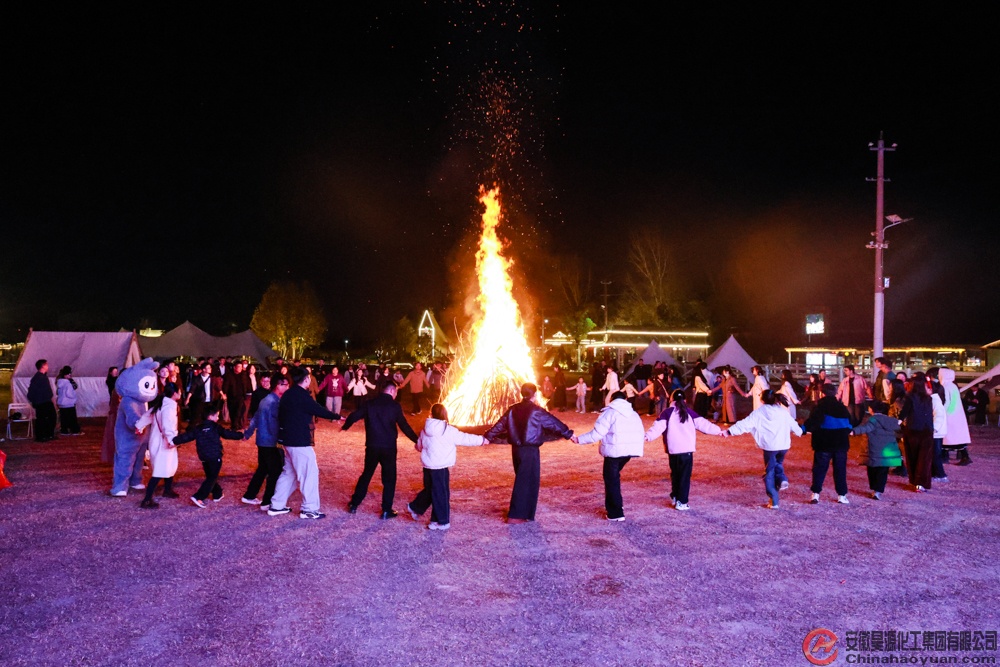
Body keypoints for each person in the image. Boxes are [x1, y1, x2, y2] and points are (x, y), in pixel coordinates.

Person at [484, 383, 573, 523]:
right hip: (529, 450)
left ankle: (525, 513)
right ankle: (516, 515)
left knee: (525, 479)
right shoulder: (536, 411)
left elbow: (500, 425)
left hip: (516, 450)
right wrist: (569, 434)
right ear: (535, 394)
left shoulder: (513, 409)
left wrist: (488, 436)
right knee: (526, 481)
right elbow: (554, 423)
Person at [267, 366, 341, 519]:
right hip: (299, 441)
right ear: (306, 379)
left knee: (289, 473)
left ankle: (276, 505)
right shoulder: (302, 396)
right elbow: (318, 409)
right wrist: (336, 416)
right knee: (309, 473)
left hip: (288, 440)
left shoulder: (288, 394)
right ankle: (309, 509)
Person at [406, 403, 487, 530]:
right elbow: (465, 438)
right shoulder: (449, 431)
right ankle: (440, 521)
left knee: (431, 490)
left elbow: (419, 447)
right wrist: (482, 440)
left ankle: (416, 508)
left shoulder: (425, 430)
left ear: (431, 414)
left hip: (428, 466)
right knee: (441, 493)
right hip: (440, 467)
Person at [343, 383, 419, 519]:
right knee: (389, 479)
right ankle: (386, 510)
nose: (396, 395)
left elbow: (354, 415)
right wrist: (417, 440)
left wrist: (345, 426)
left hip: (372, 445)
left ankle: (354, 504)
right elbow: (404, 426)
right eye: (396, 392)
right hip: (388, 447)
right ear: (392, 391)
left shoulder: (369, 404)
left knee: (366, 475)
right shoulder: (394, 406)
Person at [644, 388, 722, 511]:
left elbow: (657, 427)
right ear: (685, 400)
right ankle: (682, 501)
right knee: (684, 477)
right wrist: (719, 431)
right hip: (686, 450)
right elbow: (705, 425)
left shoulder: (667, 413)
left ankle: (675, 496)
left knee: (675, 474)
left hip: (673, 450)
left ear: (671, 400)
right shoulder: (689, 412)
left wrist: (647, 437)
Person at [722, 390, 803, 509]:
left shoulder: (759, 412)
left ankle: (774, 500)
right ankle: (781, 479)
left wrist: (730, 431)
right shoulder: (783, 412)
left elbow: (745, 424)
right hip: (784, 445)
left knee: (769, 471)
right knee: (778, 463)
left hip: (770, 446)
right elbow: (793, 425)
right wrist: (800, 431)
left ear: (762, 400)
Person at [573, 391, 645, 521]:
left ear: (611, 400)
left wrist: (579, 439)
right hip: (628, 451)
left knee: (611, 480)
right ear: (625, 399)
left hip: (614, 452)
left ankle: (615, 513)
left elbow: (597, 433)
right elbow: (640, 431)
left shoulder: (609, 413)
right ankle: (616, 507)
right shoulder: (633, 414)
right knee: (614, 477)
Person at [173, 401, 243, 508]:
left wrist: (174, 441)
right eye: (217, 416)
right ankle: (199, 496)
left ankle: (217, 493)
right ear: (210, 417)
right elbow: (227, 434)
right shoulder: (215, 427)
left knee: (211, 476)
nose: (218, 418)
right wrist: (241, 435)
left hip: (204, 456)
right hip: (215, 456)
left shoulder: (198, 428)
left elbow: (187, 436)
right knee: (212, 477)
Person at [242, 373, 289, 510]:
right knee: (275, 470)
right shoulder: (274, 402)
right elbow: (274, 424)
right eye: (285, 385)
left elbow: (255, 419)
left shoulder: (265, 400)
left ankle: (250, 495)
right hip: (270, 441)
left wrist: (248, 434)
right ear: (278, 385)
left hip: (262, 440)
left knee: (263, 468)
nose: (287, 387)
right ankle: (267, 501)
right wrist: (280, 441)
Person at [801, 390, 852, 505]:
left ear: (822, 394)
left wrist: (803, 429)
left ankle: (815, 494)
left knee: (819, 469)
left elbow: (813, 422)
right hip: (840, 443)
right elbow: (850, 424)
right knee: (840, 470)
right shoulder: (842, 408)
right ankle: (842, 495)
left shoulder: (819, 407)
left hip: (823, 443)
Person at [135, 383, 182, 508]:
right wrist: (172, 440)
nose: (180, 393)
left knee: (168, 465)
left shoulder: (161, 403)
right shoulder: (169, 407)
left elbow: (148, 415)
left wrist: (139, 425)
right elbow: (168, 425)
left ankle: (167, 489)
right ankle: (147, 499)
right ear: (174, 393)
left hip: (158, 440)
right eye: (179, 391)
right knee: (160, 469)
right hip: (164, 442)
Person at [852, 402, 902, 500]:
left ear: (872, 409)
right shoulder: (891, 421)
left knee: (873, 470)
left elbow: (866, 428)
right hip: (887, 452)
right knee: (883, 472)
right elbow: (898, 431)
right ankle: (878, 491)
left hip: (875, 451)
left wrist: (853, 431)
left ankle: (874, 489)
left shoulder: (873, 420)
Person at [898, 372, 935, 492]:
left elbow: (904, 413)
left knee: (912, 456)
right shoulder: (928, 398)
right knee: (924, 459)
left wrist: (897, 422)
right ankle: (921, 483)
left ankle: (914, 481)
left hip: (913, 429)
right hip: (927, 430)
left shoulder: (910, 398)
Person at [939, 368, 972, 466]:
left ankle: (963, 457)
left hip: (949, 415)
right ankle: (948, 456)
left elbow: (947, 401)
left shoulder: (945, 386)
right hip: (956, 415)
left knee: (948, 437)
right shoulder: (953, 386)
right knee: (955, 438)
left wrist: (942, 412)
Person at [27, 359, 57, 442]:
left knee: (47, 418)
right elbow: (33, 390)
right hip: (42, 401)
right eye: (46, 364)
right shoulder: (39, 378)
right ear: (43, 366)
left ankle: (47, 434)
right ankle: (42, 436)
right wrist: (35, 400)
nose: (48, 366)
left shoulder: (42, 377)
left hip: (44, 401)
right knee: (43, 418)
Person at [55, 366, 82, 435]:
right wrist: (74, 396)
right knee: (72, 418)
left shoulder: (59, 382)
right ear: (66, 375)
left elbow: (58, 392)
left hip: (62, 403)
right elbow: (69, 393)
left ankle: (64, 431)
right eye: (69, 374)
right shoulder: (68, 383)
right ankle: (75, 431)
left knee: (64, 418)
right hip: (69, 403)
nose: (70, 375)